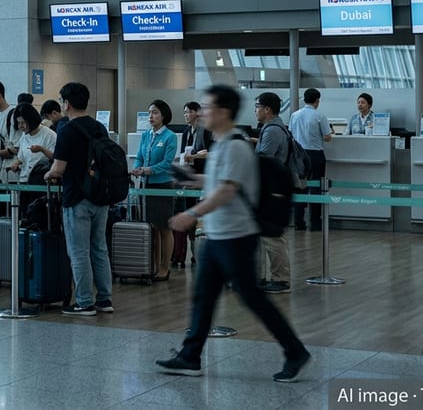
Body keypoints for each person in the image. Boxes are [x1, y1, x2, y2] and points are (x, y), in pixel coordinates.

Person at [157, 84, 311, 382]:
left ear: (224, 112)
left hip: (237, 237)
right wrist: (190, 179)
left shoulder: (237, 145)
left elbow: (227, 190)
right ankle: (190, 356)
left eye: (208, 108)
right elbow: (216, 180)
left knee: (252, 298)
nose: (202, 113)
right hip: (218, 235)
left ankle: (295, 351)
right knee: (204, 296)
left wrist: (191, 214)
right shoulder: (223, 144)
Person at [44, 82, 113, 316]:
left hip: (77, 198)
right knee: (99, 249)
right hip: (101, 196)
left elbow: (58, 168)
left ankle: (84, 301)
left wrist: (48, 174)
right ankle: (105, 299)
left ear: (67, 103)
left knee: (78, 251)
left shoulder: (67, 130)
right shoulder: (99, 128)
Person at [130, 100, 179, 281]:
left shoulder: (170, 136)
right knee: (152, 228)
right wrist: (137, 168)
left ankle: (165, 267)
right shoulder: (146, 136)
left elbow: (167, 163)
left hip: (163, 186)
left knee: (165, 227)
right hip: (146, 186)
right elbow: (140, 157)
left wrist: (147, 170)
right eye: (149, 112)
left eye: (155, 112)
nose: (151, 116)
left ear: (164, 115)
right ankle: (154, 265)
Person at [253, 92, 294, 295]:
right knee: (268, 237)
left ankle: (281, 279)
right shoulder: (272, 128)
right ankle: (269, 276)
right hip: (272, 189)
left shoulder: (272, 131)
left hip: (273, 191)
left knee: (273, 238)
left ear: (267, 109)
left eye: (257, 106)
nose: (255, 110)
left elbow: (263, 159)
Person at [174, 101, 213, 268]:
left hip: (203, 176)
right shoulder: (185, 132)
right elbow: (184, 153)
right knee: (189, 212)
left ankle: (201, 254)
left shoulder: (205, 131)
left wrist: (194, 157)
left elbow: (210, 153)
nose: (186, 115)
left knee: (201, 215)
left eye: (189, 112)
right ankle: (192, 252)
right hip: (190, 177)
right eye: (184, 112)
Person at [289, 88, 332, 231]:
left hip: (298, 155)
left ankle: (298, 222)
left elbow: (291, 133)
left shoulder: (295, 115)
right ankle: (315, 223)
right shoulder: (320, 116)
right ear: (317, 100)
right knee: (316, 188)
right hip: (315, 155)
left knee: (300, 187)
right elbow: (327, 137)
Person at [6, 103, 56, 184]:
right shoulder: (25, 135)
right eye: (18, 123)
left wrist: (41, 149)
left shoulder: (49, 135)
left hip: (41, 182)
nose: (20, 126)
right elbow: (21, 157)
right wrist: (16, 163)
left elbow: (56, 158)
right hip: (24, 180)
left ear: (31, 121)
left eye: (23, 123)